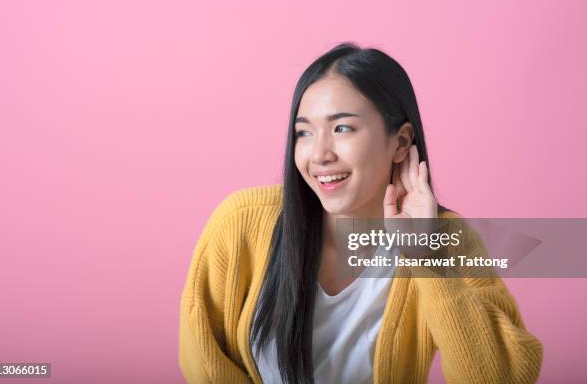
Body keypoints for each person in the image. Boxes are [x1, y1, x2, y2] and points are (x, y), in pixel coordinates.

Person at [179, 42, 543, 383]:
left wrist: (426, 257)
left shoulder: (445, 238)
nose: (319, 154)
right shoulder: (241, 223)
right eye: (303, 133)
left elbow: (502, 376)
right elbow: (204, 362)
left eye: (342, 128)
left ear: (400, 142)